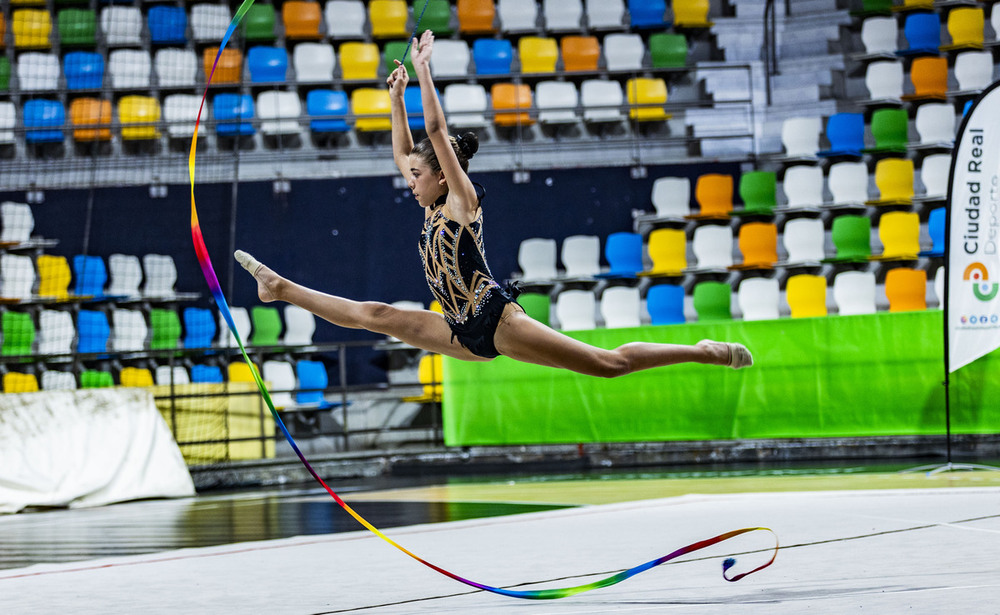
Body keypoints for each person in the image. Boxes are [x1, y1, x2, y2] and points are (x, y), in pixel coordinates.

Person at [235, 30, 752, 377]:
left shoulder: (461, 203)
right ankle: (279, 287)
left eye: (417, 175)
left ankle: (703, 352)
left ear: (441, 175)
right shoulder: (429, 206)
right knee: (377, 314)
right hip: (459, 330)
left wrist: (424, 71)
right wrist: (396, 99)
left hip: (496, 320)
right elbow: (403, 150)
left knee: (607, 363)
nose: (408, 181)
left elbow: (434, 131)